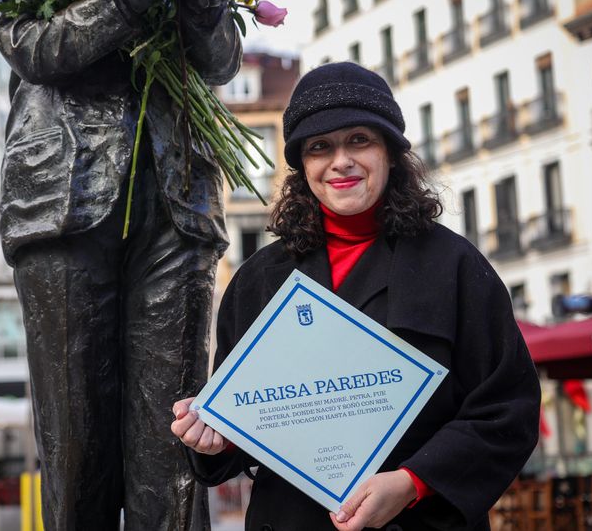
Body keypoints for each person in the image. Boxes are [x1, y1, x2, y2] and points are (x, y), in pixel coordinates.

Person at [172, 62, 541, 530]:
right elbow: (242, 424)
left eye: (359, 140)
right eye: (319, 147)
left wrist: (412, 481)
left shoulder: (457, 267)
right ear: (303, 166)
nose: (340, 161)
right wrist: (214, 437)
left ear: (391, 152)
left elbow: (508, 410)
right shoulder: (258, 282)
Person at [0, 0, 242, 531]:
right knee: (77, 444)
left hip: (177, 198)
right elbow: (30, 47)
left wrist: (205, 9)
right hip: (64, 198)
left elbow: (222, 64)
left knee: (176, 444)